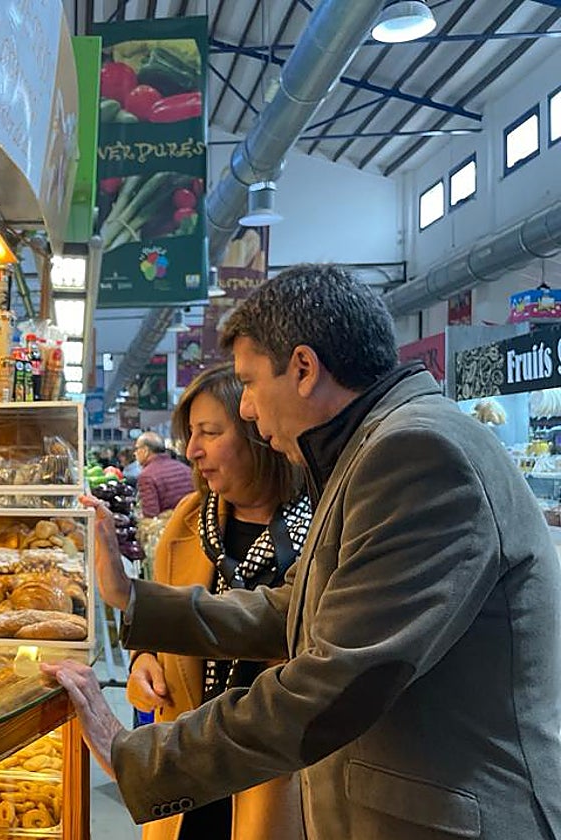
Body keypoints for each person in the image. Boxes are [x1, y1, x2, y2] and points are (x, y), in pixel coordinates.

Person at [45, 264, 561, 840]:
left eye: (248, 382)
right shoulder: (372, 448)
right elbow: (293, 609)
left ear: (304, 368)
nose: (245, 408)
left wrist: (135, 753)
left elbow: (336, 680)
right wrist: (135, 601)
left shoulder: (417, 453)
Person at [130, 363, 309, 840]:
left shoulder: (319, 530)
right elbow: (164, 617)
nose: (192, 450)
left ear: (259, 432)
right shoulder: (189, 522)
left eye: (210, 432)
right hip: (188, 770)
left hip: (276, 781)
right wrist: (143, 657)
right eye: (191, 434)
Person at [135, 431, 194, 517]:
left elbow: (150, 516)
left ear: (145, 451)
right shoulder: (186, 469)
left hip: (170, 527)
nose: (135, 453)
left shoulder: (147, 475)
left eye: (137, 449)